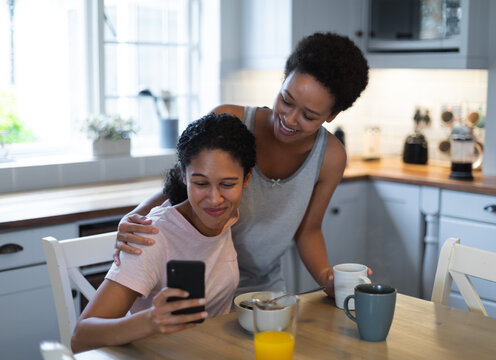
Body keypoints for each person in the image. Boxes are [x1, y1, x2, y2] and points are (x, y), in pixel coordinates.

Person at [114, 32, 369, 298]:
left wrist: (326, 277)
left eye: (308, 115)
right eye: (287, 100)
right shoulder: (230, 120)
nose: (290, 119)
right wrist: (136, 216)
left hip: (262, 291)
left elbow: (309, 230)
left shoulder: (330, 157)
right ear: (282, 82)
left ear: (332, 115)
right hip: (200, 282)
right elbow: (183, 186)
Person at [70, 113, 256, 353]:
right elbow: (80, 337)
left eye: (227, 184)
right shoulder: (152, 236)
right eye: (200, 183)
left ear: (246, 179)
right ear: (183, 176)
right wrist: (150, 320)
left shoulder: (226, 218)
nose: (215, 199)